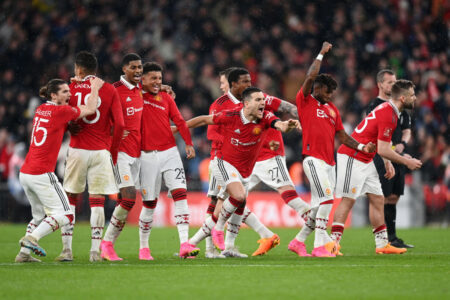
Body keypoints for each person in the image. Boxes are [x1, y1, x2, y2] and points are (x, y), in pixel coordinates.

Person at [184, 87, 301, 251]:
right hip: (223, 162)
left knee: (235, 203)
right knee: (231, 198)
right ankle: (216, 235)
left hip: (244, 169)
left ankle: (193, 244)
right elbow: (205, 120)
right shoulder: (230, 114)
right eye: (258, 100)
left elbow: (278, 123)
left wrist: (286, 125)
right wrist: (179, 127)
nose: (263, 103)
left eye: (263, 100)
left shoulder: (265, 116)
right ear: (246, 103)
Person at [289, 42, 376, 257]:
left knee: (319, 205)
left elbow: (343, 136)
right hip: (312, 159)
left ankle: (298, 242)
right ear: (317, 89)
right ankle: (320, 246)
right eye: (327, 92)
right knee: (327, 199)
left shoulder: (332, 110)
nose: (330, 96)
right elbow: (309, 77)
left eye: (332, 93)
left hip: (330, 163)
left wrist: (363, 146)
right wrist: (320, 54)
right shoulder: (306, 100)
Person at [16, 77, 103, 262]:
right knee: (65, 214)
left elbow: (59, 121)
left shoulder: (41, 109)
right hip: (41, 173)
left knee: (39, 216)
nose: (70, 94)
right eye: (65, 91)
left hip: (26, 173)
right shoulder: (61, 111)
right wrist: (94, 87)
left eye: (69, 91)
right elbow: (90, 109)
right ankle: (32, 238)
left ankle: (23, 255)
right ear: (54, 95)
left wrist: (68, 122)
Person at [331, 79, 422, 254]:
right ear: (402, 98)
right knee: (348, 200)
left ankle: (381, 245)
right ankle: (333, 244)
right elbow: (384, 148)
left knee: (378, 198)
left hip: (367, 157)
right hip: (352, 156)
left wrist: (388, 162)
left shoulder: (390, 111)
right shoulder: (389, 114)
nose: (415, 98)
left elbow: (380, 144)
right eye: (412, 95)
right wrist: (406, 161)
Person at [59, 51, 125, 262]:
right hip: (100, 151)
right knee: (97, 201)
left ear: (78, 69)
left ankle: (67, 251)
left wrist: (70, 126)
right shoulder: (108, 89)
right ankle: (94, 251)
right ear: (95, 69)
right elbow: (121, 125)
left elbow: (61, 116)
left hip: (77, 149)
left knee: (71, 198)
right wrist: (113, 152)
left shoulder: (68, 88)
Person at [137, 62, 198, 259]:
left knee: (180, 194)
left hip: (170, 152)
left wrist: (188, 143)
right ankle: (144, 248)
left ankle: (184, 244)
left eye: (160, 79)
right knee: (150, 204)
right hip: (147, 155)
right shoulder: (136, 97)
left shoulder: (165, 98)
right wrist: (145, 87)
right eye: (153, 78)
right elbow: (127, 89)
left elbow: (179, 120)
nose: (157, 82)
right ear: (143, 79)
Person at [100, 53, 144, 261]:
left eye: (140, 67)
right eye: (133, 67)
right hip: (119, 152)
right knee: (128, 197)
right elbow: (97, 116)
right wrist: (110, 129)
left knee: (126, 200)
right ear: (124, 68)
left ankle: (106, 244)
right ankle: (106, 244)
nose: (138, 71)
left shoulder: (140, 91)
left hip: (138, 152)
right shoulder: (113, 90)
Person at [366, 69, 414, 248]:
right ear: (380, 85)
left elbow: (407, 129)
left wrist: (403, 144)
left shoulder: (400, 106)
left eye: (395, 82)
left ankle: (393, 237)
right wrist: (393, 150)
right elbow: (374, 134)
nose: (393, 85)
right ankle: (384, 239)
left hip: (397, 156)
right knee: (383, 197)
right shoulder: (375, 106)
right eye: (389, 82)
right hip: (381, 156)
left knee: (394, 197)